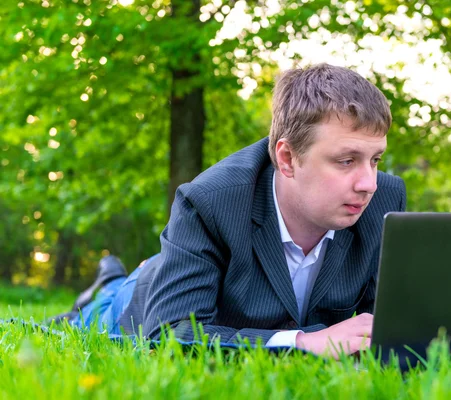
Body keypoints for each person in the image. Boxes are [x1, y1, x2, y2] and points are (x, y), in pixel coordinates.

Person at [61, 63, 406, 358]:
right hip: (144, 293)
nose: (368, 183)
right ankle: (108, 285)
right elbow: (170, 334)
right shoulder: (209, 201)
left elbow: (390, 321)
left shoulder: (386, 201)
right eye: (346, 161)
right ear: (287, 158)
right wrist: (301, 342)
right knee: (100, 312)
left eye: (375, 160)